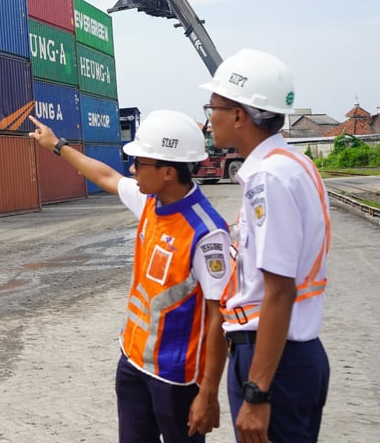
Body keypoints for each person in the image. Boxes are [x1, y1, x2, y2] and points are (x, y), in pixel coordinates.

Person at [29, 110, 231, 442]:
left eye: (140, 162)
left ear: (168, 172)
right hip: (133, 362)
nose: (133, 169)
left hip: (176, 379)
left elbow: (218, 316)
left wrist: (208, 393)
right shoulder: (150, 201)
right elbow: (105, 176)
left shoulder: (207, 234)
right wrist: (56, 144)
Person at [200, 48, 331, 443]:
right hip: (284, 356)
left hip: (273, 361)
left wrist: (257, 393)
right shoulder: (290, 163)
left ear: (239, 116)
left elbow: (279, 290)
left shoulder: (269, 177)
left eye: (213, 107)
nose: (208, 118)